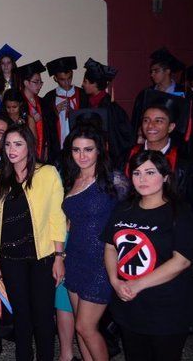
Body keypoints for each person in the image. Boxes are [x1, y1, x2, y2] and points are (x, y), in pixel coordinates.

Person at [102, 150, 193, 361]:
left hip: (167, 308)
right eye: (137, 173)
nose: (142, 179)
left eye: (150, 172)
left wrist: (137, 285)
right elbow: (110, 247)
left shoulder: (179, 212)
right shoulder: (124, 208)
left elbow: (182, 261)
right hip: (129, 305)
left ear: (165, 176)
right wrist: (115, 281)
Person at [0, 124, 66, 361]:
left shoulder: (47, 173)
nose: (11, 149)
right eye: (8, 144)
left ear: (29, 147)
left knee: (43, 316)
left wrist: (59, 256)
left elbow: (57, 217)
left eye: (18, 144)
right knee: (21, 315)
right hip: (10, 257)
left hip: (42, 256)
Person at [60, 122, 128, 361]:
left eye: (88, 149)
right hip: (74, 258)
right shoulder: (72, 178)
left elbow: (132, 216)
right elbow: (70, 220)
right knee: (81, 328)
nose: (82, 156)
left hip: (101, 261)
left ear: (100, 149)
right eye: (76, 150)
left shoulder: (113, 179)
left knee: (85, 326)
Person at [82, 58, 134, 167]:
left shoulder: (111, 109)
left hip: (108, 161)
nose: (82, 84)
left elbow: (119, 141)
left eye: (85, 82)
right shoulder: (88, 104)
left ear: (94, 84)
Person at [131, 47, 189, 140]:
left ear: (167, 71)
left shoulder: (184, 92)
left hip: (177, 139)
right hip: (151, 137)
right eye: (151, 71)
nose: (152, 75)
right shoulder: (145, 94)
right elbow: (137, 120)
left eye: (156, 71)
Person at [43, 56, 88, 164]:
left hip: (79, 145)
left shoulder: (82, 95)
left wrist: (74, 113)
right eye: (62, 79)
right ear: (55, 78)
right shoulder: (49, 98)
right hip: (57, 147)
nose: (67, 82)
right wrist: (54, 111)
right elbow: (45, 124)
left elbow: (88, 120)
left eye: (69, 78)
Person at [16, 60, 48, 161]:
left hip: (42, 149)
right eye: (36, 82)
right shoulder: (17, 102)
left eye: (40, 82)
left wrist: (46, 146)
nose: (40, 85)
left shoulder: (42, 102)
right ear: (26, 83)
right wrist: (31, 121)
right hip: (25, 149)